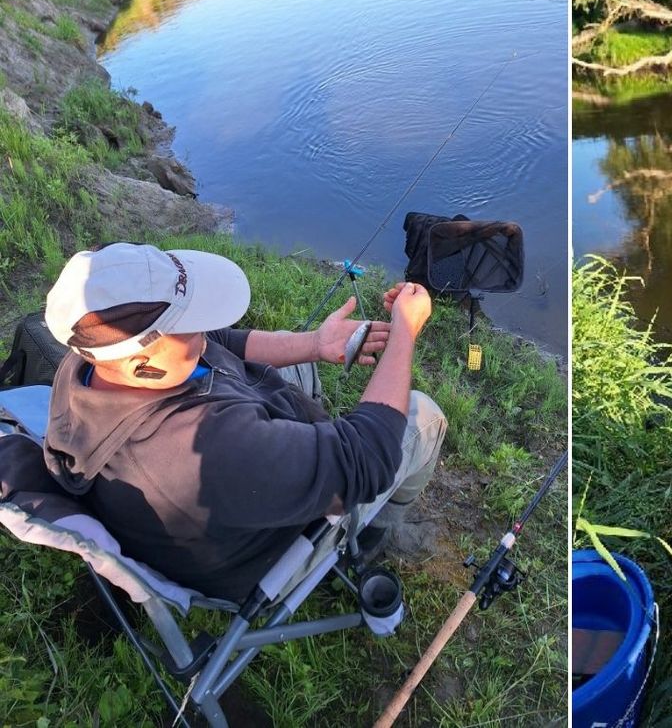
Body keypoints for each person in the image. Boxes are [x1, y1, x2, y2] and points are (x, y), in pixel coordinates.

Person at [41, 242, 446, 602]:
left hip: (232, 480)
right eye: (188, 328)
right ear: (141, 363)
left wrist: (313, 344)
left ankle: (312, 442)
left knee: (301, 370)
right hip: (271, 547)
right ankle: (373, 534)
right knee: (423, 415)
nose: (202, 332)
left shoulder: (89, 361)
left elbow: (221, 344)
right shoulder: (203, 450)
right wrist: (404, 333)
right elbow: (366, 458)